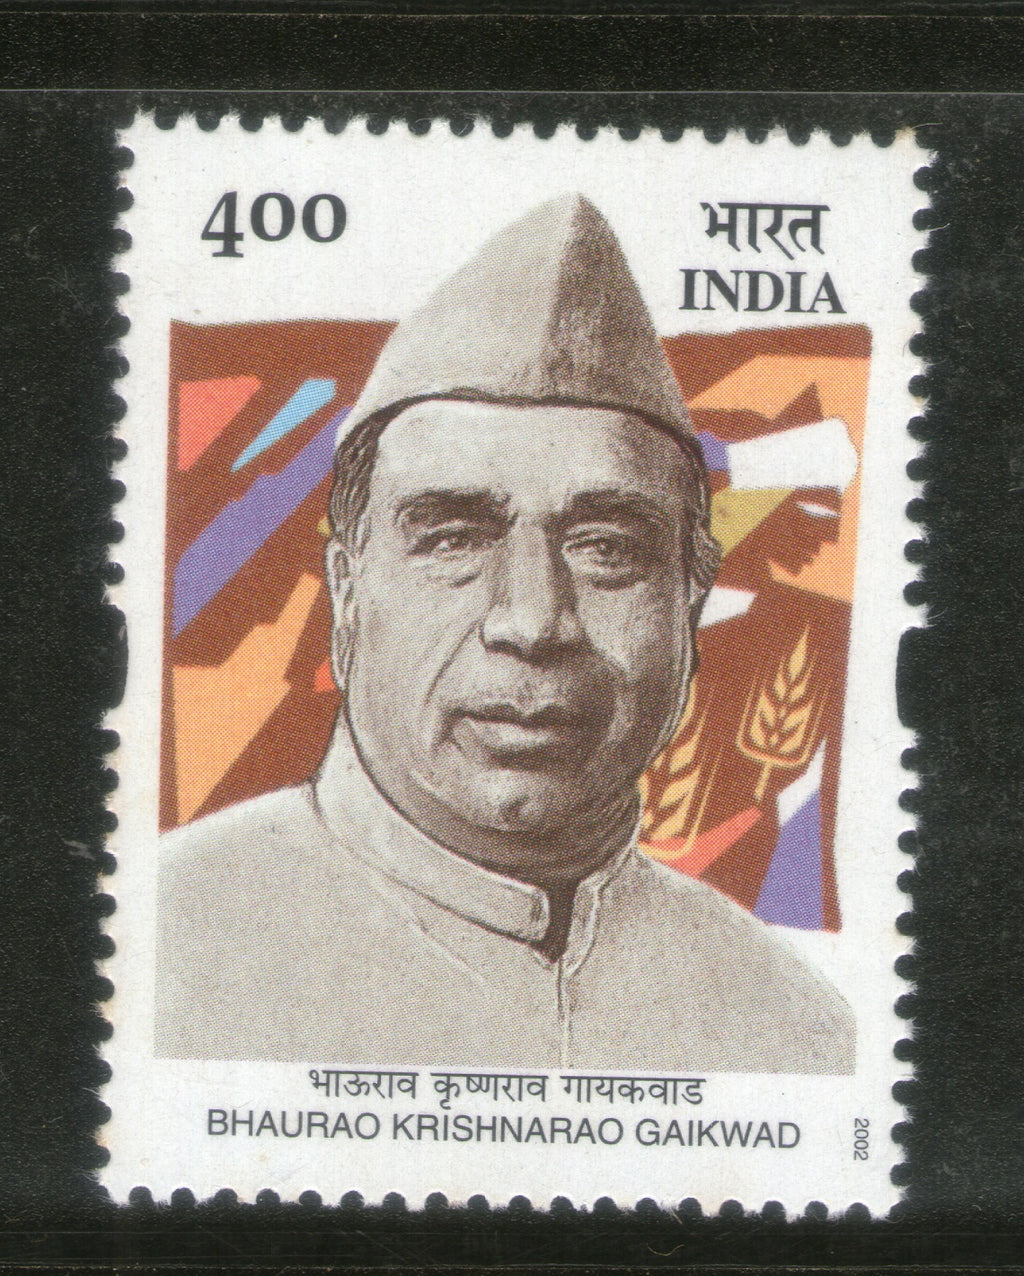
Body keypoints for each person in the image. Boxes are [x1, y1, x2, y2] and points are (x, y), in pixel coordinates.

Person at [156, 193, 854, 1072]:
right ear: (346, 592)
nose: (532, 621)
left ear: (690, 599)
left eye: (607, 547)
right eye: (454, 538)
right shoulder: (154, 952)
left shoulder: (798, 1029)